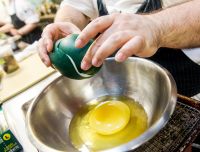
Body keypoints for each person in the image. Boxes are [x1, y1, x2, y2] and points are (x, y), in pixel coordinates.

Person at [38, 0, 200, 100]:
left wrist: (156, 27)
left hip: (190, 96)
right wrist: (64, 25)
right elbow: (74, 5)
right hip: (131, 97)